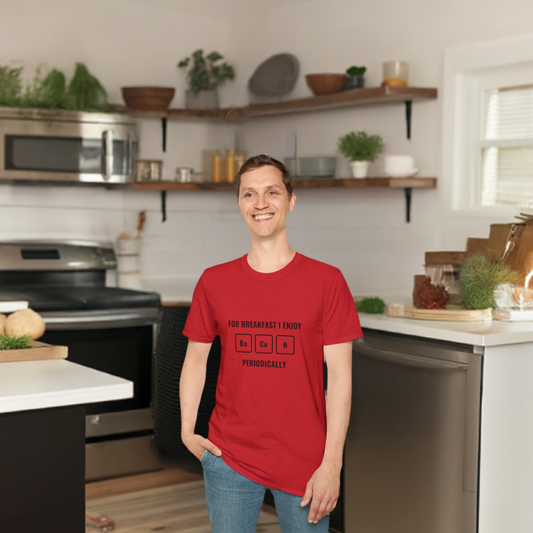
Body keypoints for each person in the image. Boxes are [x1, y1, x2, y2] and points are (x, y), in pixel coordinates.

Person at [180, 154, 362, 532]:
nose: (260, 203)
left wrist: (332, 463)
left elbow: (340, 379)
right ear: (240, 204)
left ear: (291, 201)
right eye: (249, 194)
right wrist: (186, 429)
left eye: (271, 192)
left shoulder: (327, 281)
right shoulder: (214, 281)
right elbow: (196, 359)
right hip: (228, 455)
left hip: (307, 459)